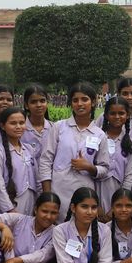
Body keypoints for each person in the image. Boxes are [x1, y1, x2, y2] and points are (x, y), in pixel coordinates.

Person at [40, 81, 110, 219]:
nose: (80, 104)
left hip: (85, 195)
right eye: (75, 100)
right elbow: (46, 161)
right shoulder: (59, 127)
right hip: (58, 192)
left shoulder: (99, 134)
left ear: (93, 102)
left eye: (84, 99)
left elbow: (105, 168)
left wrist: (89, 167)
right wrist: (47, 194)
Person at [0, 106, 37, 215]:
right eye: (13, 123)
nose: (18, 126)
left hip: (31, 202)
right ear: (2, 126)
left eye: (21, 123)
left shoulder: (29, 149)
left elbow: (36, 178)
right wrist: (9, 210)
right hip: (11, 206)